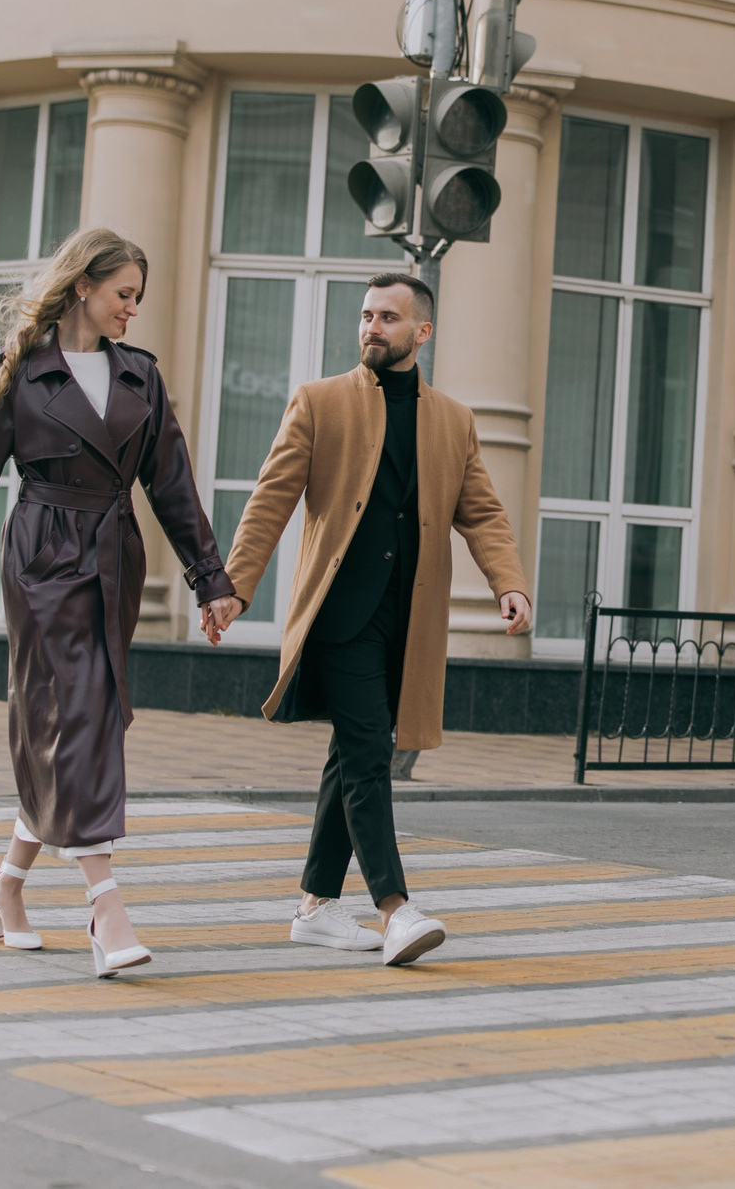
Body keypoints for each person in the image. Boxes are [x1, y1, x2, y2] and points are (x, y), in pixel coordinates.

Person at [0, 227, 241, 978]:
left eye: (138, 298)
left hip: (115, 560)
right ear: (84, 285)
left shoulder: (141, 377)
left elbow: (172, 487)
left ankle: (6, 886)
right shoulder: (18, 370)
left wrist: (211, 581)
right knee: (76, 716)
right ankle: (105, 907)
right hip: (43, 559)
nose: (133, 310)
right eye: (124, 294)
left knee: (78, 720)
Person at [210, 271, 531, 966]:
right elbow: (272, 497)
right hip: (340, 614)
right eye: (365, 314)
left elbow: (481, 509)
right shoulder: (320, 402)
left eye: (388, 316)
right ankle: (396, 908)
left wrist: (509, 582)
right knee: (367, 754)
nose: (371, 327)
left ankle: (316, 906)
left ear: (423, 331)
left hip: (408, 618)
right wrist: (233, 585)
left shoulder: (452, 418)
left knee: (354, 753)